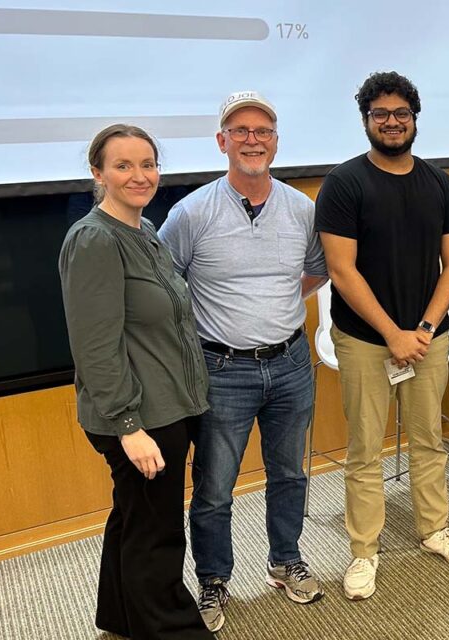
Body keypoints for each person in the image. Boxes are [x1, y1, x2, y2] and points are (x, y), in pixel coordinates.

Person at [159, 91, 327, 632]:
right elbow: (164, 284)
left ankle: (285, 560)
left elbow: (317, 269)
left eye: (263, 131)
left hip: (291, 363)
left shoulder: (301, 208)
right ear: (222, 141)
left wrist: (271, 306)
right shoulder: (191, 213)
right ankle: (213, 579)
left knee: (289, 474)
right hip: (222, 370)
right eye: (241, 131)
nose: (252, 140)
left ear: (276, 142)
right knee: (214, 487)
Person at [315, 71, 449, 601]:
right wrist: (393, 334)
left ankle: (435, 529)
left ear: (414, 119)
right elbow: (342, 270)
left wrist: (424, 329)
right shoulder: (344, 184)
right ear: (366, 120)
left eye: (401, 113)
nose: (391, 122)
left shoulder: (438, 183)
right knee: (366, 449)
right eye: (380, 114)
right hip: (365, 339)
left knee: (429, 439)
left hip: (427, 337)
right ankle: (364, 550)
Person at [58, 124, 212, 639]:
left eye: (147, 164)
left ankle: (120, 617)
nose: (139, 175)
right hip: (139, 416)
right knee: (157, 535)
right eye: (123, 165)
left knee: (133, 517)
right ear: (98, 173)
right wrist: (129, 425)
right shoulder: (94, 240)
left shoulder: (144, 230)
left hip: (167, 405)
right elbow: (94, 346)